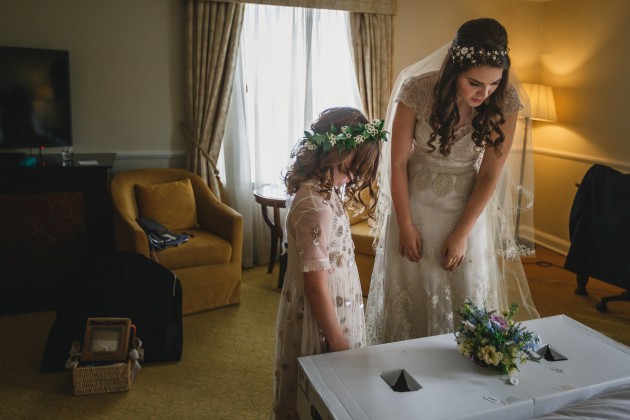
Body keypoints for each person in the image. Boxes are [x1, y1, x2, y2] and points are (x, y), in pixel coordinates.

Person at [365, 18, 539, 345]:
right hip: (414, 203)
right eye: (475, 83)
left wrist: (462, 233)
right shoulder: (416, 90)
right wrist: (404, 223)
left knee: (466, 294)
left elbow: (489, 173)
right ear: (455, 69)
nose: (484, 94)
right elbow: (398, 162)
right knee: (411, 292)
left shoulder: (505, 101)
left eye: (493, 84)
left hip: (467, 208)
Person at [272, 107, 386, 419]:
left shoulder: (323, 191)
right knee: (321, 395)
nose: (353, 178)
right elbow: (315, 284)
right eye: (350, 168)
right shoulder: (315, 205)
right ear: (330, 153)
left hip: (336, 304)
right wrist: (335, 338)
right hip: (322, 316)